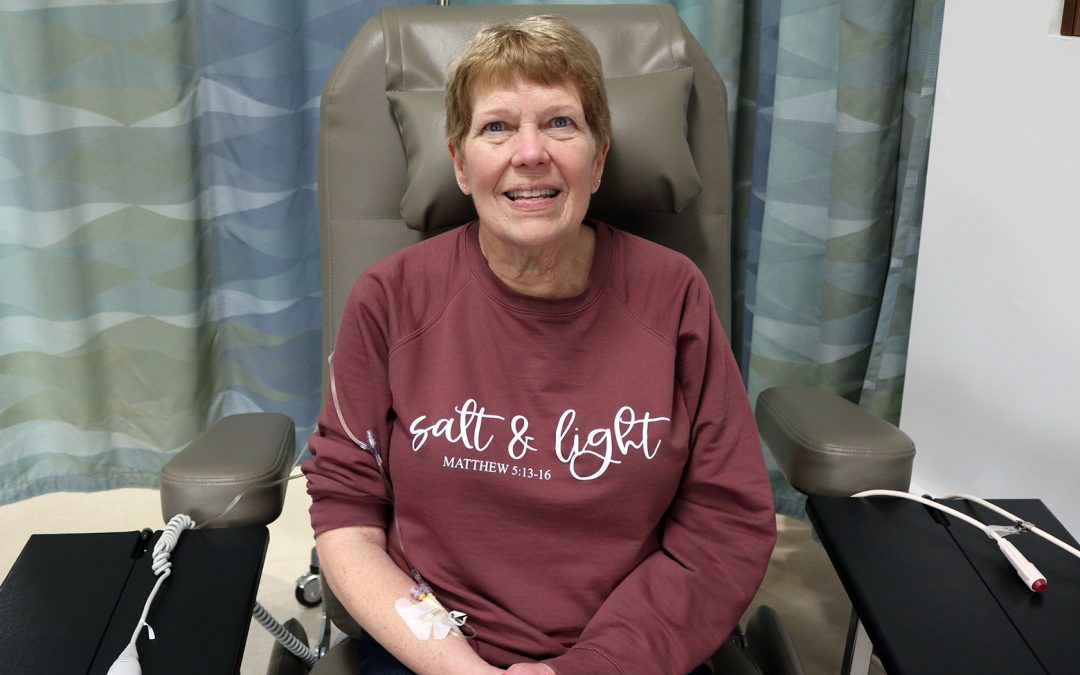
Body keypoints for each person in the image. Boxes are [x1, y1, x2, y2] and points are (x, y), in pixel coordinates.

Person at [303, 15, 776, 675]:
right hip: (437, 649)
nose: (530, 153)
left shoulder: (674, 297)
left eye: (561, 123)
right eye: (496, 126)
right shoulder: (391, 297)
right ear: (461, 165)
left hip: (627, 652)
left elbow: (725, 525)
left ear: (600, 156)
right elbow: (348, 516)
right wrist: (461, 669)